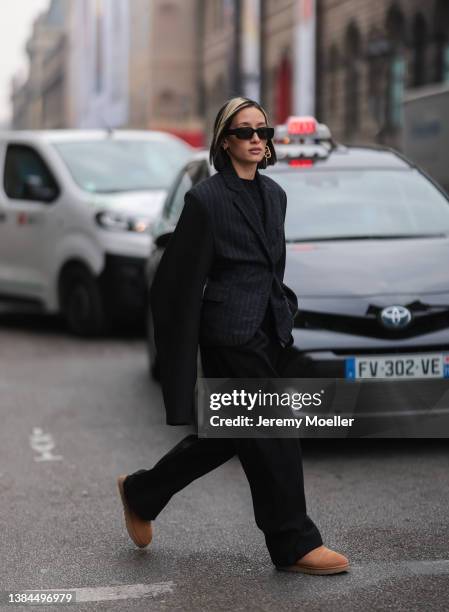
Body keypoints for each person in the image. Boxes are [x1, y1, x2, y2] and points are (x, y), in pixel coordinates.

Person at [117, 97, 349, 575]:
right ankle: (294, 542)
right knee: (274, 430)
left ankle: (141, 492)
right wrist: (182, 344)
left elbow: (271, 266)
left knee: (225, 435)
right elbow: (176, 279)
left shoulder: (275, 196)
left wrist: (282, 307)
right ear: (226, 141)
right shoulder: (207, 200)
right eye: (245, 132)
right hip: (230, 333)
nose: (256, 139)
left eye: (262, 131)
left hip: (269, 327)